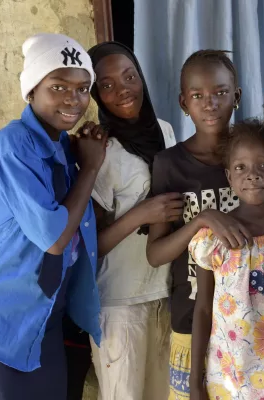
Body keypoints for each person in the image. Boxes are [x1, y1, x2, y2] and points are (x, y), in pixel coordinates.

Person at [0, 33, 105, 400]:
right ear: (31, 91)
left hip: (43, 325)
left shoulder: (64, 148)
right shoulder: (14, 143)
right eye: (58, 86)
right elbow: (53, 238)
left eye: (83, 88)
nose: (74, 99)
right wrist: (91, 169)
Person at [146, 50, 264, 400]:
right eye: (198, 96)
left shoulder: (254, 150)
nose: (210, 103)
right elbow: (156, 253)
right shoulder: (169, 165)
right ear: (183, 102)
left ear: (237, 96)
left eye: (220, 92)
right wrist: (202, 220)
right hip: (195, 320)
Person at [86, 41, 182, 400]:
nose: (123, 89)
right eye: (107, 85)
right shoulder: (101, 149)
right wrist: (142, 214)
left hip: (165, 293)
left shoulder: (165, 131)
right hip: (120, 302)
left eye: (130, 76)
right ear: (95, 94)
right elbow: (91, 245)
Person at [189, 119, 264, 400]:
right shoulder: (213, 240)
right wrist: (194, 379)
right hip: (228, 372)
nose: (252, 175)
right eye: (241, 168)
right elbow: (202, 309)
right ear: (228, 175)